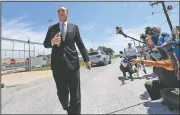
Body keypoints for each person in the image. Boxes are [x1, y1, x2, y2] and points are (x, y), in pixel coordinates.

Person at [43, 6, 91, 114]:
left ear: (67, 13)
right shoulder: (52, 28)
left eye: (63, 10)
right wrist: (52, 42)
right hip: (57, 67)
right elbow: (45, 44)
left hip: (73, 64)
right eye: (58, 11)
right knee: (62, 94)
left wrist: (87, 59)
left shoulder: (74, 27)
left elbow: (80, 45)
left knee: (76, 95)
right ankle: (67, 108)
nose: (60, 12)